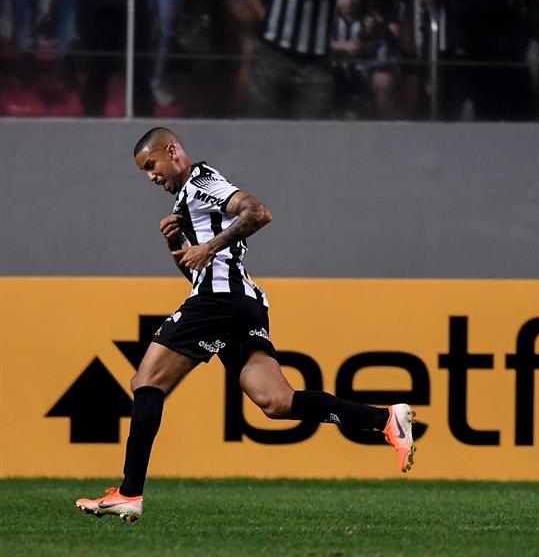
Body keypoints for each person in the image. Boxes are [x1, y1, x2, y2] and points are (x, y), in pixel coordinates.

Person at [75, 127, 416, 523]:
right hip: (242, 304)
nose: (151, 177)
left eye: (152, 165)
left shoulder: (202, 182)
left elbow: (258, 212)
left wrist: (208, 246)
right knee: (277, 402)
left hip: (221, 302)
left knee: (147, 382)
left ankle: (129, 492)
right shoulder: (188, 199)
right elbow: (200, 271)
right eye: (144, 172)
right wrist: (179, 249)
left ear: (172, 151)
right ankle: (385, 419)